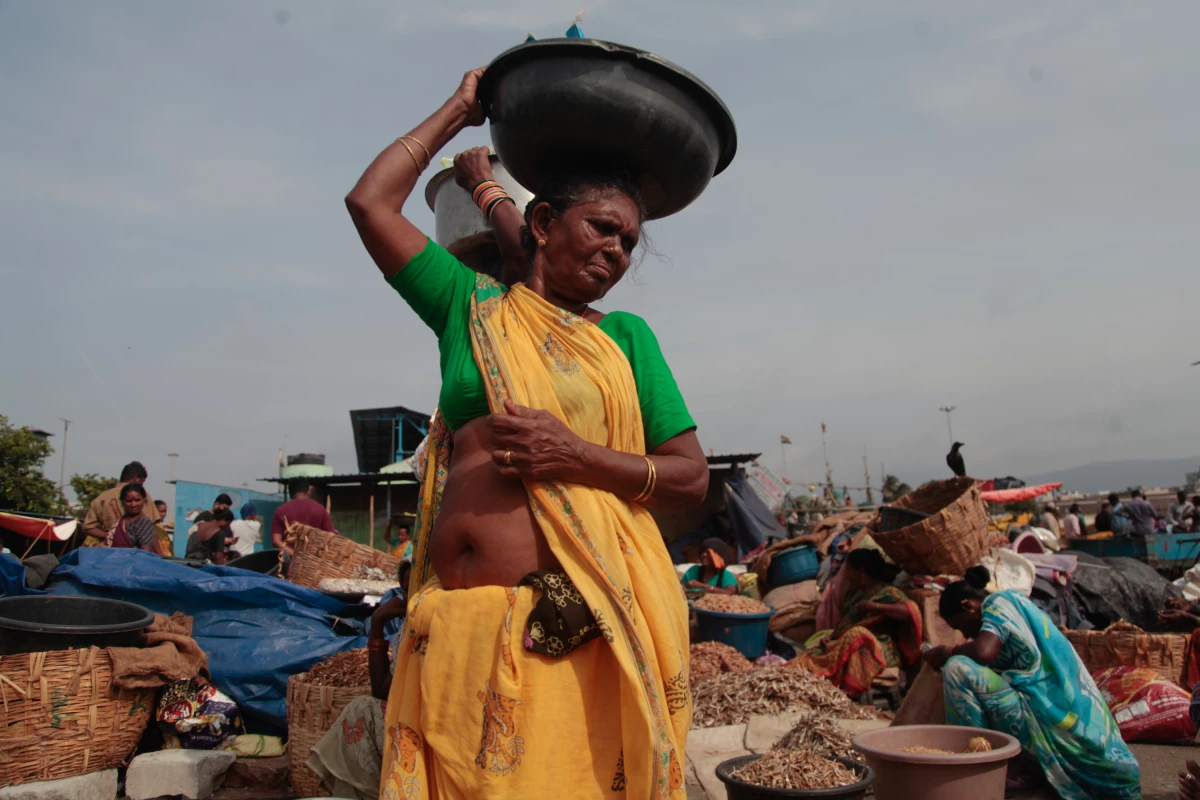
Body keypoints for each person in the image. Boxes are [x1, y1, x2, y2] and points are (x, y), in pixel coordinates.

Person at [346, 68, 708, 799]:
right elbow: (369, 201)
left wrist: (574, 455)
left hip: (566, 629)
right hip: (452, 633)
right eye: (601, 227)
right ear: (543, 224)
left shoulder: (626, 340)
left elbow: (689, 476)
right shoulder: (468, 307)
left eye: (629, 241)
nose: (616, 251)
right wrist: (459, 110)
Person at [924, 566, 1140, 799]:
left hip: (1059, 717)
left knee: (957, 668)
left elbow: (984, 651)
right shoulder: (1012, 609)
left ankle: (975, 766)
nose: (965, 635)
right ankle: (1024, 767)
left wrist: (947, 651)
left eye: (960, 626)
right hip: (1049, 714)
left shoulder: (998, 603)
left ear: (969, 605)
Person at [307, 582, 410, 800]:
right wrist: (377, 624)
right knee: (362, 709)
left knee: (361, 712)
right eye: (408, 590)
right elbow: (382, 690)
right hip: (408, 718)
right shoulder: (409, 631)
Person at [792, 549, 921, 697]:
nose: (846, 575)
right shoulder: (854, 594)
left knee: (857, 634)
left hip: (877, 648)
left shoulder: (888, 592)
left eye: (849, 570)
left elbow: (909, 611)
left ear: (861, 572)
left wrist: (874, 607)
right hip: (853, 645)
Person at [82, 461, 161, 544]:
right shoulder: (141, 496)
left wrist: (110, 535)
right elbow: (151, 528)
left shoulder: (100, 498)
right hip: (135, 550)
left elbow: (89, 528)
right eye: (143, 482)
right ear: (137, 478)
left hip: (107, 550)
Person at [271, 479, 335, 557]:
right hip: (314, 564)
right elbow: (331, 537)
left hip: (290, 566)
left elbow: (276, 540)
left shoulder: (280, 511)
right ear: (308, 491)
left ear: (290, 493)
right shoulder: (320, 509)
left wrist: (295, 555)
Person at [104, 484, 160, 552]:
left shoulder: (143, 522)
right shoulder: (121, 521)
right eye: (129, 501)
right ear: (122, 502)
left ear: (144, 501)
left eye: (137, 500)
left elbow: (145, 553)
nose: (133, 504)